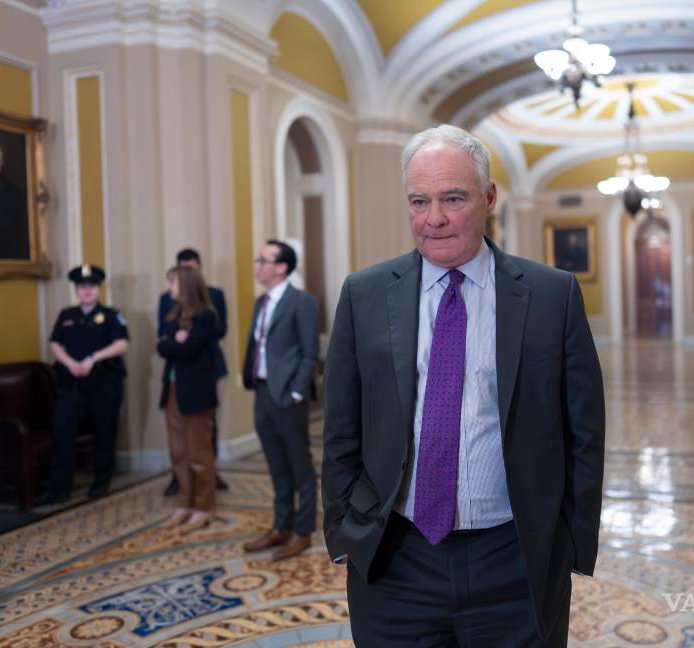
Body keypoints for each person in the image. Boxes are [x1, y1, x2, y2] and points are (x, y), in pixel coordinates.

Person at [322, 125, 606, 646]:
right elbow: (341, 427)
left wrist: (571, 542)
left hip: (514, 561)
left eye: (453, 198)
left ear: (488, 198)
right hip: (393, 562)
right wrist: (344, 532)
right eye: (419, 201)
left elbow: (584, 433)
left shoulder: (552, 295)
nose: (434, 218)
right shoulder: (364, 295)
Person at [241, 240, 319, 561]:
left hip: (288, 396)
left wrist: (297, 392)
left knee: (300, 465)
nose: (257, 265)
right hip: (262, 391)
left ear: (282, 267)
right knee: (276, 464)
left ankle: (303, 531)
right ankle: (281, 525)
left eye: (264, 260)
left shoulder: (302, 302)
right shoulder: (261, 302)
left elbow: (310, 352)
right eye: (258, 259)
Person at [37, 264, 129, 505]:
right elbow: (55, 343)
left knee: (105, 432)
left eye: (91, 286)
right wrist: (70, 363)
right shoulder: (67, 315)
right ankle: (59, 489)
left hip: (104, 382)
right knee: (63, 431)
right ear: (76, 289)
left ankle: (101, 481)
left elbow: (122, 343)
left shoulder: (111, 315)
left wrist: (92, 359)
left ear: (99, 288)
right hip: (72, 383)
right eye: (82, 286)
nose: (87, 290)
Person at [159, 248, 229, 495]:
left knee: (201, 436)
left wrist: (181, 340)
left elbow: (214, 333)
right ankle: (183, 489)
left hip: (202, 373)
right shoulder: (170, 305)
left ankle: (205, 489)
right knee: (179, 442)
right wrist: (176, 341)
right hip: (176, 377)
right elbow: (162, 342)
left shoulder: (210, 304)